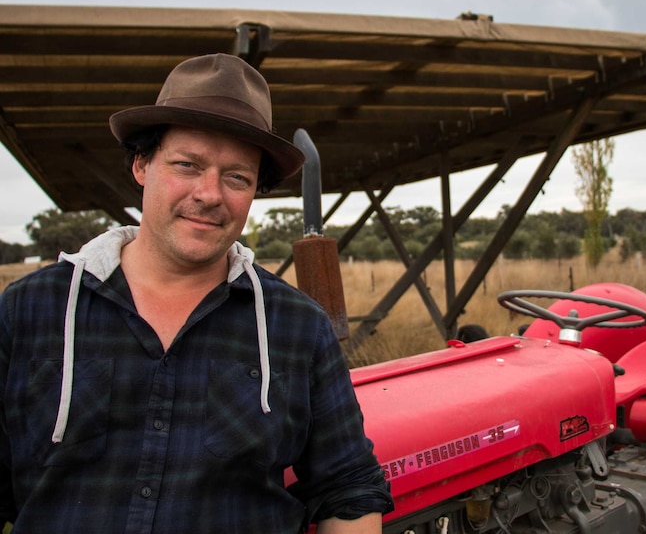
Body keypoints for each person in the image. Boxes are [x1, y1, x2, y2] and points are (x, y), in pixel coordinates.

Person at [0, 54, 393, 533]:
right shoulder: (28, 311)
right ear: (141, 165)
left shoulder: (296, 326)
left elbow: (347, 487)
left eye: (237, 177)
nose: (210, 194)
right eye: (187, 165)